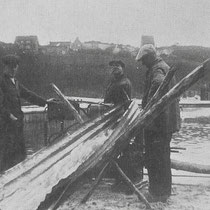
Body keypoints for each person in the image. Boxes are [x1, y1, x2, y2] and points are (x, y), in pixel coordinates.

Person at [135, 44, 181, 201]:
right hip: (165, 122)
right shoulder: (162, 66)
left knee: (156, 158)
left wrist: (147, 106)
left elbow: (158, 83)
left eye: (143, 60)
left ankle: (157, 193)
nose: (142, 63)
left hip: (158, 123)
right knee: (163, 157)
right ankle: (164, 192)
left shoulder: (157, 69)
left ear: (149, 57)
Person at [0, 54, 52, 172]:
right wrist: (9, 115)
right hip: (6, 125)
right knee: (6, 153)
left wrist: (45, 102)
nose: (13, 70)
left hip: (17, 124)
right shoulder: (1, 82)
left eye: (15, 67)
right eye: (10, 67)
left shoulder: (16, 83)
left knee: (20, 153)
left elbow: (28, 95)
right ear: (5, 67)